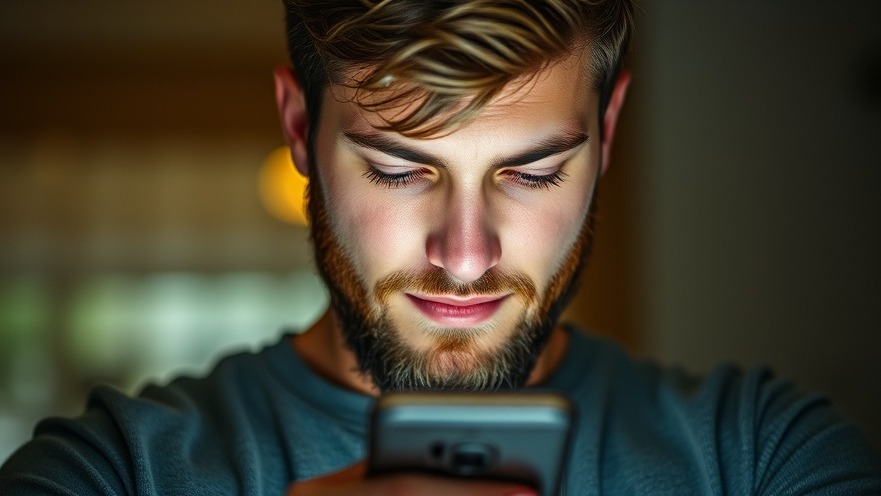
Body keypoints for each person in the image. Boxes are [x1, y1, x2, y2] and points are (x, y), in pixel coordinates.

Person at [2, 0, 880, 494]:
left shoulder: (761, 455)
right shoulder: (114, 472)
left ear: (606, 135)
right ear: (300, 131)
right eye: (395, 170)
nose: (464, 257)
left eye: (532, 174)